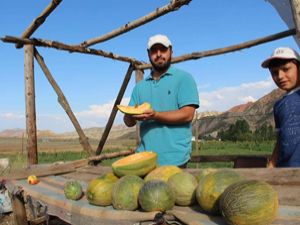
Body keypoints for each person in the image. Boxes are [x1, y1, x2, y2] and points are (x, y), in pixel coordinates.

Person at [123, 34, 199, 167]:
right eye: (154, 50)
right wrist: (131, 115)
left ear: (171, 51)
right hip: (145, 160)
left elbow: (187, 115)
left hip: (175, 160)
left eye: (163, 49)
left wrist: (155, 115)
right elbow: (128, 122)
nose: (158, 54)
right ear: (148, 54)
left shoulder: (184, 79)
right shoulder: (140, 87)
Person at [261, 47, 300, 167]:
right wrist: (272, 165)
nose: (280, 76)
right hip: (284, 172)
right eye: (274, 72)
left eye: (286, 69)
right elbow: (280, 140)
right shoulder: (278, 105)